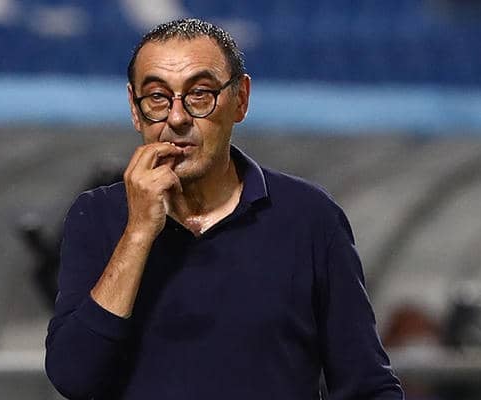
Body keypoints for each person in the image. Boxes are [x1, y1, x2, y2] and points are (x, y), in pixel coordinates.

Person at [45, 18, 404, 400]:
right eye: (157, 97)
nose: (177, 117)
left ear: (240, 99)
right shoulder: (97, 216)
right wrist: (137, 233)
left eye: (200, 94)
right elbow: (73, 377)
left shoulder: (309, 218)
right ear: (135, 110)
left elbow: (368, 386)